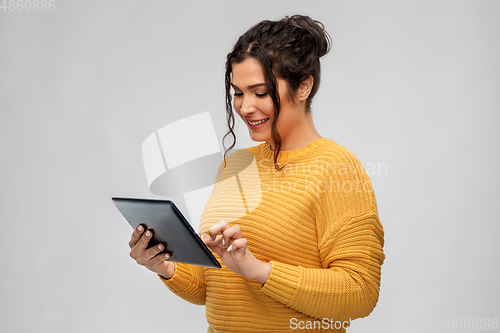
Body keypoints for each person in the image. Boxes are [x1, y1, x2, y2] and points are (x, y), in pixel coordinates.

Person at [128, 15, 385, 333]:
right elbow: (211, 288)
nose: (245, 107)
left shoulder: (337, 168)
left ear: (303, 86)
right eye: (238, 92)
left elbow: (360, 292)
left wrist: (261, 271)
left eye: (260, 92)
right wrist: (164, 265)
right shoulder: (234, 166)